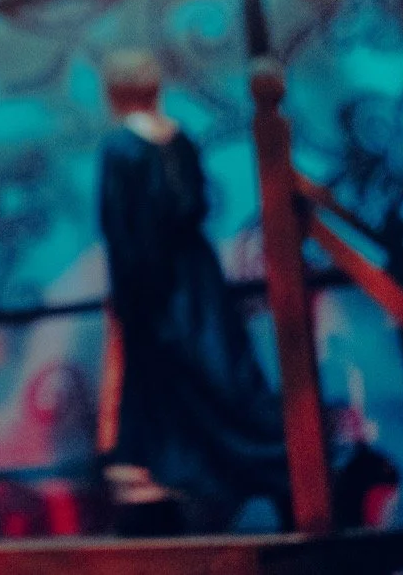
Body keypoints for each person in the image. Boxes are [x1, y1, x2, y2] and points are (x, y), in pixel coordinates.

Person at [95, 50, 292, 534]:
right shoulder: (179, 139)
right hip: (194, 277)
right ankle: (252, 461)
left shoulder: (120, 149)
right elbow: (196, 203)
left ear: (116, 94)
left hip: (153, 282)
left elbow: (121, 228)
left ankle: (209, 472)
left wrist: (130, 296)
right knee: (218, 369)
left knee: (181, 374)